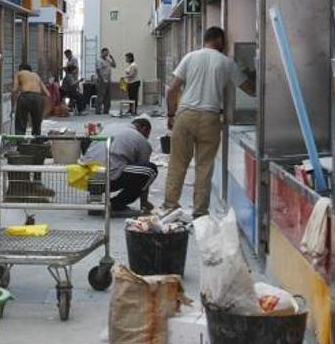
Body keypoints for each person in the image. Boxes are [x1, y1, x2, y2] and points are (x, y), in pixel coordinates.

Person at [162, 27, 255, 218]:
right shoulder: (227, 63)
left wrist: (171, 115)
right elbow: (251, 90)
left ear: (206, 39)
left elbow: (172, 90)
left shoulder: (190, 57)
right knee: (204, 167)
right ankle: (200, 213)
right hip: (210, 119)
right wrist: (249, 70)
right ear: (220, 41)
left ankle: (171, 207)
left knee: (177, 163)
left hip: (186, 115)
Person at [83, 115, 157, 213]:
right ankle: (115, 204)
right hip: (110, 177)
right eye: (147, 135)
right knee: (150, 170)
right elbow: (143, 174)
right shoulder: (141, 140)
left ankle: (95, 199)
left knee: (103, 161)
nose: (146, 138)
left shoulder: (111, 126)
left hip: (87, 176)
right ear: (143, 129)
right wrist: (144, 202)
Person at [12, 63, 50, 135]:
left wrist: (13, 104)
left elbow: (14, 90)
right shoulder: (36, 76)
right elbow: (48, 94)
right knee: (37, 124)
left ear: (21, 69)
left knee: (21, 122)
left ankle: (21, 141)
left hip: (25, 97)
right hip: (39, 98)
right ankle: (36, 142)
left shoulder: (19, 73)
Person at [95, 47, 117, 114]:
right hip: (102, 80)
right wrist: (102, 79)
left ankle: (106, 110)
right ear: (102, 53)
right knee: (101, 95)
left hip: (108, 80)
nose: (107, 54)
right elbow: (98, 71)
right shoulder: (99, 60)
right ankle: (98, 110)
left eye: (107, 53)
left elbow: (114, 66)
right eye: (105, 53)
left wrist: (112, 58)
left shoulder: (107, 60)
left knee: (108, 96)